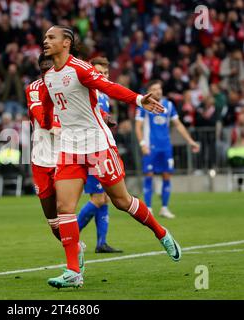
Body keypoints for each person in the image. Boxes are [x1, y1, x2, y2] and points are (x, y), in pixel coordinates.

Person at [41, 25, 181, 289]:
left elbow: (110, 86)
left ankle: (160, 232)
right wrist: (47, 123)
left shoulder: (80, 69)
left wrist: (139, 100)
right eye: (45, 37)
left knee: (121, 201)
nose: (45, 41)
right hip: (70, 147)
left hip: (97, 144)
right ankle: (74, 272)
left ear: (66, 42)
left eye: (51, 37)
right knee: (64, 208)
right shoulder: (49, 76)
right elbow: (50, 106)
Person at [25, 53, 86, 273]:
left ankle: (74, 267)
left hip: (64, 156)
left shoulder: (71, 85)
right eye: (43, 69)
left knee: (66, 212)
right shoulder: (33, 88)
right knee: (53, 223)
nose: (47, 72)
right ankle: (77, 248)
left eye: (50, 67)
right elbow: (42, 117)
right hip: (41, 159)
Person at [77, 56, 123, 254]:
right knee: (97, 199)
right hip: (89, 150)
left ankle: (101, 242)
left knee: (104, 197)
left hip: (101, 149)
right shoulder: (87, 91)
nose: (103, 76)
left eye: (105, 73)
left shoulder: (104, 95)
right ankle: (68, 236)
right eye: (99, 73)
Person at [135, 80, 200, 218]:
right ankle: (149, 208)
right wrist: (142, 144)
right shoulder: (144, 105)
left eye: (159, 89)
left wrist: (190, 141)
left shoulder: (169, 105)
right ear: (149, 92)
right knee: (149, 175)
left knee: (167, 176)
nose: (158, 91)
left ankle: (164, 208)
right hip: (150, 146)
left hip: (165, 147)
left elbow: (178, 125)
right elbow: (138, 126)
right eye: (154, 89)